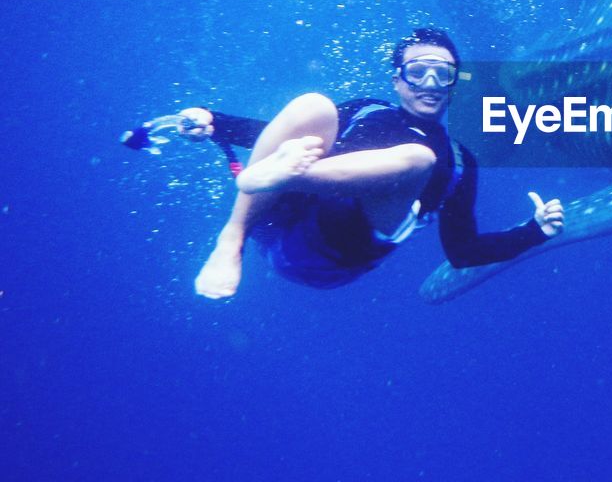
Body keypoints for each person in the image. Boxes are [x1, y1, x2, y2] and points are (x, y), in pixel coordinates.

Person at [182, 26, 564, 299]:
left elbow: (462, 253)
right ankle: (232, 238)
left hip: (325, 255)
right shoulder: (366, 108)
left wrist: (535, 231)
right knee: (312, 106)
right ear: (397, 80)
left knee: (418, 159)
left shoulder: (460, 162)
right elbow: (277, 132)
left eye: (442, 74)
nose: (429, 83)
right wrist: (213, 122)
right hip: (276, 219)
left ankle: (291, 176)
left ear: (453, 85)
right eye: (417, 72)